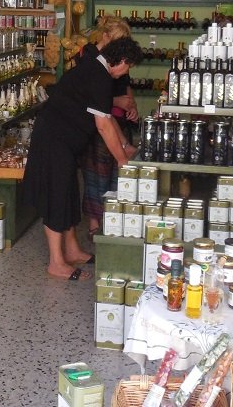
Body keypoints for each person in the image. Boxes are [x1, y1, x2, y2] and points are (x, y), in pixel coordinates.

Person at [25, 36, 144, 280]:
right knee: (57, 197)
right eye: (128, 67)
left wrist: (124, 147)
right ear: (121, 60)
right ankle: (56, 262)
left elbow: (107, 118)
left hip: (64, 143)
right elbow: (103, 125)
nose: (125, 73)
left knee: (68, 192)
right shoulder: (99, 75)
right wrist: (122, 160)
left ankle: (72, 250)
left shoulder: (96, 68)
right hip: (53, 140)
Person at [75, 17, 138, 236]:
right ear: (105, 36)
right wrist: (116, 102)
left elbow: (125, 84)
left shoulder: (118, 60)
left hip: (117, 121)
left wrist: (131, 105)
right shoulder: (89, 57)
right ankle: (95, 223)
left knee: (116, 175)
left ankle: (115, 221)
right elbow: (88, 97)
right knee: (96, 173)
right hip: (99, 122)